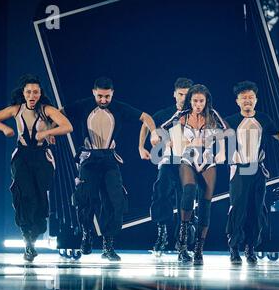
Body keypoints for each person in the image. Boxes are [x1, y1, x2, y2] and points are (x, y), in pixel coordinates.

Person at [65, 77, 159, 261]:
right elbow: (59, 113)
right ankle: (86, 234)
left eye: (107, 96)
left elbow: (146, 117)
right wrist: (51, 130)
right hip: (89, 159)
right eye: (100, 96)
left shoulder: (119, 108)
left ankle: (108, 246)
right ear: (94, 92)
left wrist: (153, 133)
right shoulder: (84, 106)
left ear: (112, 94)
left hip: (109, 159)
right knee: (85, 199)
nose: (103, 100)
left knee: (115, 200)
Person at [0, 74, 73, 262]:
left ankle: (33, 237)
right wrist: (5, 129)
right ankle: (27, 239)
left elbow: (67, 127)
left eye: (35, 92)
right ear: (23, 93)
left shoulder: (47, 109)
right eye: (28, 92)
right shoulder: (16, 109)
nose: (32, 95)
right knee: (24, 194)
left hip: (43, 157)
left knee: (40, 197)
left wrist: (47, 132)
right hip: (22, 156)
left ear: (40, 93)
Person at [225, 81, 279, 265]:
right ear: (237, 101)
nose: (247, 100)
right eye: (243, 97)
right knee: (238, 208)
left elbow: (276, 132)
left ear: (256, 100)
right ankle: (234, 248)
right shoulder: (230, 121)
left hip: (257, 169)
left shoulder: (263, 119)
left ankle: (250, 247)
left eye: (250, 97)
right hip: (239, 169)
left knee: (256, 209)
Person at [162, 84, 226, 265]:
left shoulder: (213, 115)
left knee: (206, 204)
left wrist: (221, 152)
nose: (198, 104)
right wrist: (169, 141)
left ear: (206, 101)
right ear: (190, 100)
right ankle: (182, 244)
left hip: (208, 160)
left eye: (201, 101)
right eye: (195, 100)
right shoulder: (182, 116)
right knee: (188, 191)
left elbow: (225, 133)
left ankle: (199, 248)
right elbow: (163, 128)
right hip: (188, 158)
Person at [138, 77, 194, 257]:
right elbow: (147, 124)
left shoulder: (197, 114)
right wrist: (141, 146)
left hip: (188, 162)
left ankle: (182, 243)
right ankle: (161, 236)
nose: (183, 98)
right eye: (180, 94)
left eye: (187, 94)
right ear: (174, 94)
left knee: (186, 201)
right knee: (161, 193)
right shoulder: (166, 114)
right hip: (168, 161)